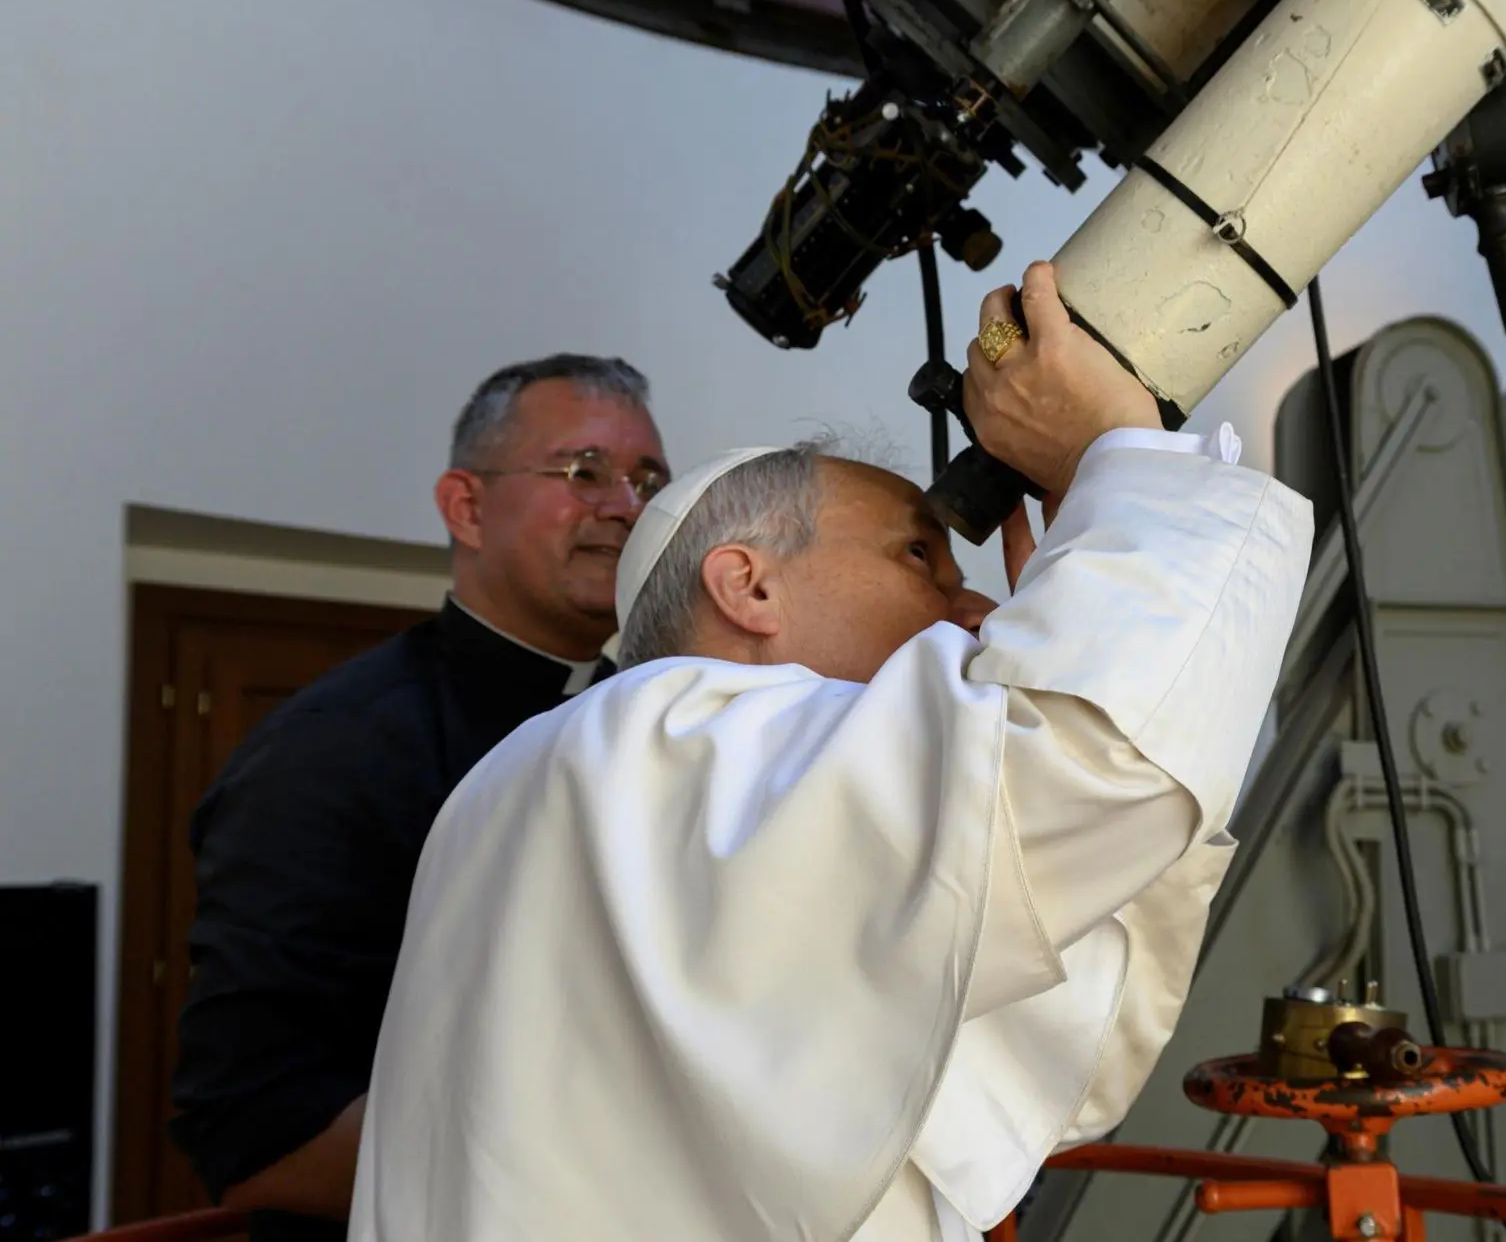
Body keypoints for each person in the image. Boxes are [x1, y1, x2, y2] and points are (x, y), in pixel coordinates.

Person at [348, 262, 1311, 1242]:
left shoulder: (595, 777)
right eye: (918, 559)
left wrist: (1088, 616)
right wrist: (1125, 462)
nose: (975, 608)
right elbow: (1093, 769)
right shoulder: (661, 742)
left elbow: (1053, 1056)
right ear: (746, 585)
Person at [169, 355, 671, 1242]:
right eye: (583, 470)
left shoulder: (666, 717)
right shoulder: (331, 750)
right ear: (466, 507)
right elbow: (255, 1129)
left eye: (647, 479)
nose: (624, 506)